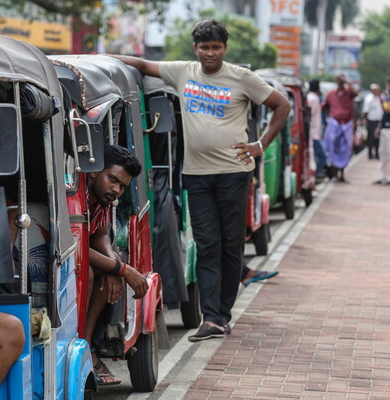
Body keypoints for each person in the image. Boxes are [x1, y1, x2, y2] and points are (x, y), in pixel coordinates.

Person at [110, 19, 290, 342]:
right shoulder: (183, 71)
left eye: (216, 47)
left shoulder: (242, 77)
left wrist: (260, 144)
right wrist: (106, 59)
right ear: (196, 48)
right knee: (207, 245)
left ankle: (222, 313)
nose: (210, 53)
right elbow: (141, 64)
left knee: (230, 244)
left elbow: (282, 105)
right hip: (197, 175)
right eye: (204, 47)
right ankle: (211, 318)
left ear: (225, 48)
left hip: (235, 173)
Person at [84, 144, 148, 385]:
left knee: (104, 273)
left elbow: (101, 236)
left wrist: (113, 265)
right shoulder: (76, 192)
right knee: (92, 272)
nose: (116, 189)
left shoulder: (102, 200)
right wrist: (120, 268)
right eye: (112, 179)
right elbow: (77, 247)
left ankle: (88, 346)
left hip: (82, 258)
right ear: (94, 171)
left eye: (122, 186)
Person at [322, 74, 358, 182]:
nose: (340, 82)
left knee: (345, 149)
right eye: (339, 80)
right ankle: (335, 174)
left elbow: (356, 92)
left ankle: (342, 174)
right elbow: (323, 106)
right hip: (335, 124)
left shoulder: (349, 93)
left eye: (341, 80)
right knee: (333, 148)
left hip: (346, 124)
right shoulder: (331, 94)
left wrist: (347, 81)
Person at [307, 79, 328, 180]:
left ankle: (313, 177)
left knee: (315, 157)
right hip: (313, 133)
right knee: (322, 156)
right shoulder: (314, 99)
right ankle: (313, 176)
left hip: (314, 132)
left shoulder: (312, 97)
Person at [362, 83, 383, 160]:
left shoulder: (378, 98)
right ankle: (370, 154)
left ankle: (377, 154)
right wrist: (364, 120)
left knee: (377, 139)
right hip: (371, 121)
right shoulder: (369, 99)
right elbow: (366, 111)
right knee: (371, 138)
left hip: (378, 121)